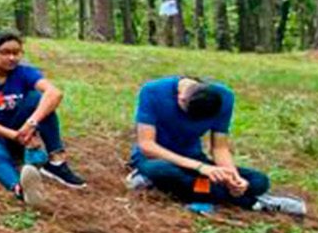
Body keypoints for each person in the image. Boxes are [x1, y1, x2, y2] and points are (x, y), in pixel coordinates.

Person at [129, 76, 306, 216]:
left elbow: (220, 148)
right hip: (157, 158)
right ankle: (253, 203)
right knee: (161, 171)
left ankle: (172, 186)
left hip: (194, 160)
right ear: (180, 99)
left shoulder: (225, 97)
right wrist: (201, 167)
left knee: (259, 182)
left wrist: (232, 177)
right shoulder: (153, 91)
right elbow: (147, 145)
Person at [0, 31, 86, 205]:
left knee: (39, 100)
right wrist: (16, 136)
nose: (12, 58)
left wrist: (31, 124)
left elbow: (54, 93)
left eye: (17, 52)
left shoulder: (24, 73)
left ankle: (56, 162)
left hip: (12, 126)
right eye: (5, 52)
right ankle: (20, 188)